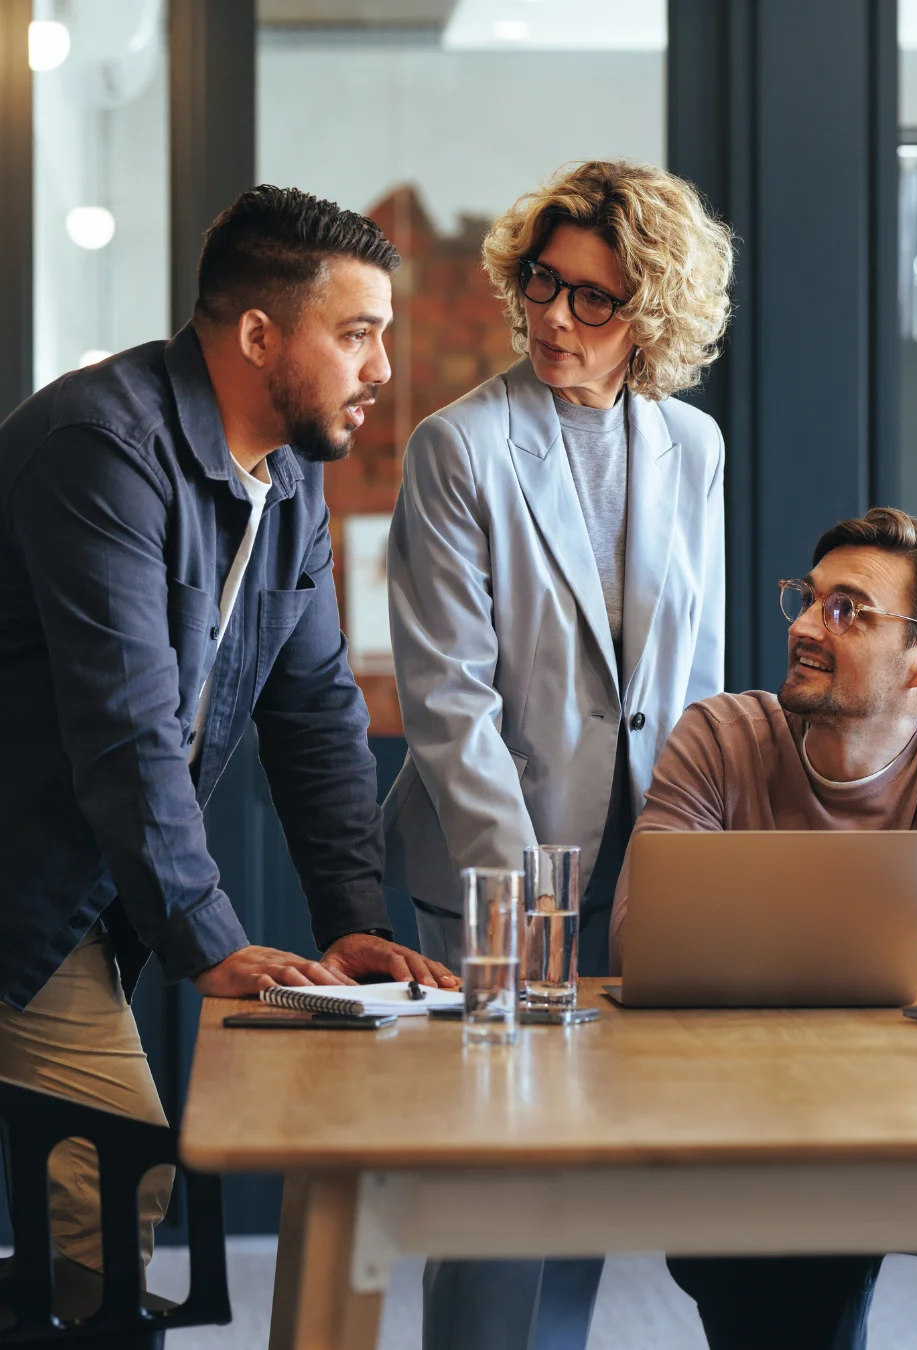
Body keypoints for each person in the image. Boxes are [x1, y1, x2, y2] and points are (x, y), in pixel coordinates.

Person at [0, 185, 456, 1293]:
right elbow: (127, 726)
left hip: (81, 880)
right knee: (107, 1193)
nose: (382, 369)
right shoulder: (100, 448)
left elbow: (316, 718)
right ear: (260, 336)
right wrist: (210, 939)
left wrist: (351, 928)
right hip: (22, 876)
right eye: (356, 334)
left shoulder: (285, 485)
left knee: (108, 1198)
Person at [383, 160, 733, 1350]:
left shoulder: (693, 445)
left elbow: (695, 676)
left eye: (597, 300)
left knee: (579, 1176)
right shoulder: (458, 449)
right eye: (544, 284)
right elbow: (446, 703)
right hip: (495, 871)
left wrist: (690, 860)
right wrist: (524, 906)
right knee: (496, 1193)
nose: (557, 320)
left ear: (657, 318)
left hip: (641, 866)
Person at [611, 506, 917, 1350]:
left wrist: (838, 948)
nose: (804, 626)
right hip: (757, 1119)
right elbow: (643, 933)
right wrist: (905, 951)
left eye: (848, 611)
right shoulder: (719, 737)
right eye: (808, 598)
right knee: (781, 1279)